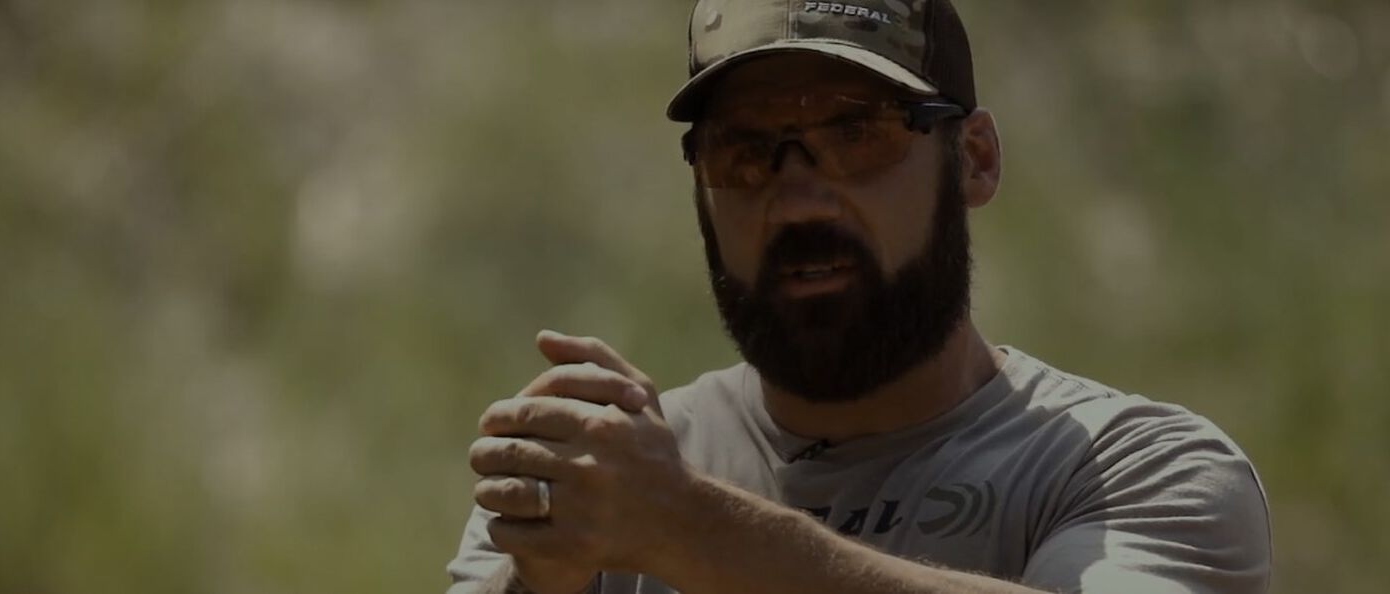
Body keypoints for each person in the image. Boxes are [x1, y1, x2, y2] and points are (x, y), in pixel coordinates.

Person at [446, 1, 1272, 592]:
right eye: (746, 153)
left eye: (857, 135)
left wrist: (686, 530)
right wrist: (543, 583)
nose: (800, 201)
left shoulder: (1134, 468)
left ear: (975, 159)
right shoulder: (602, 479)